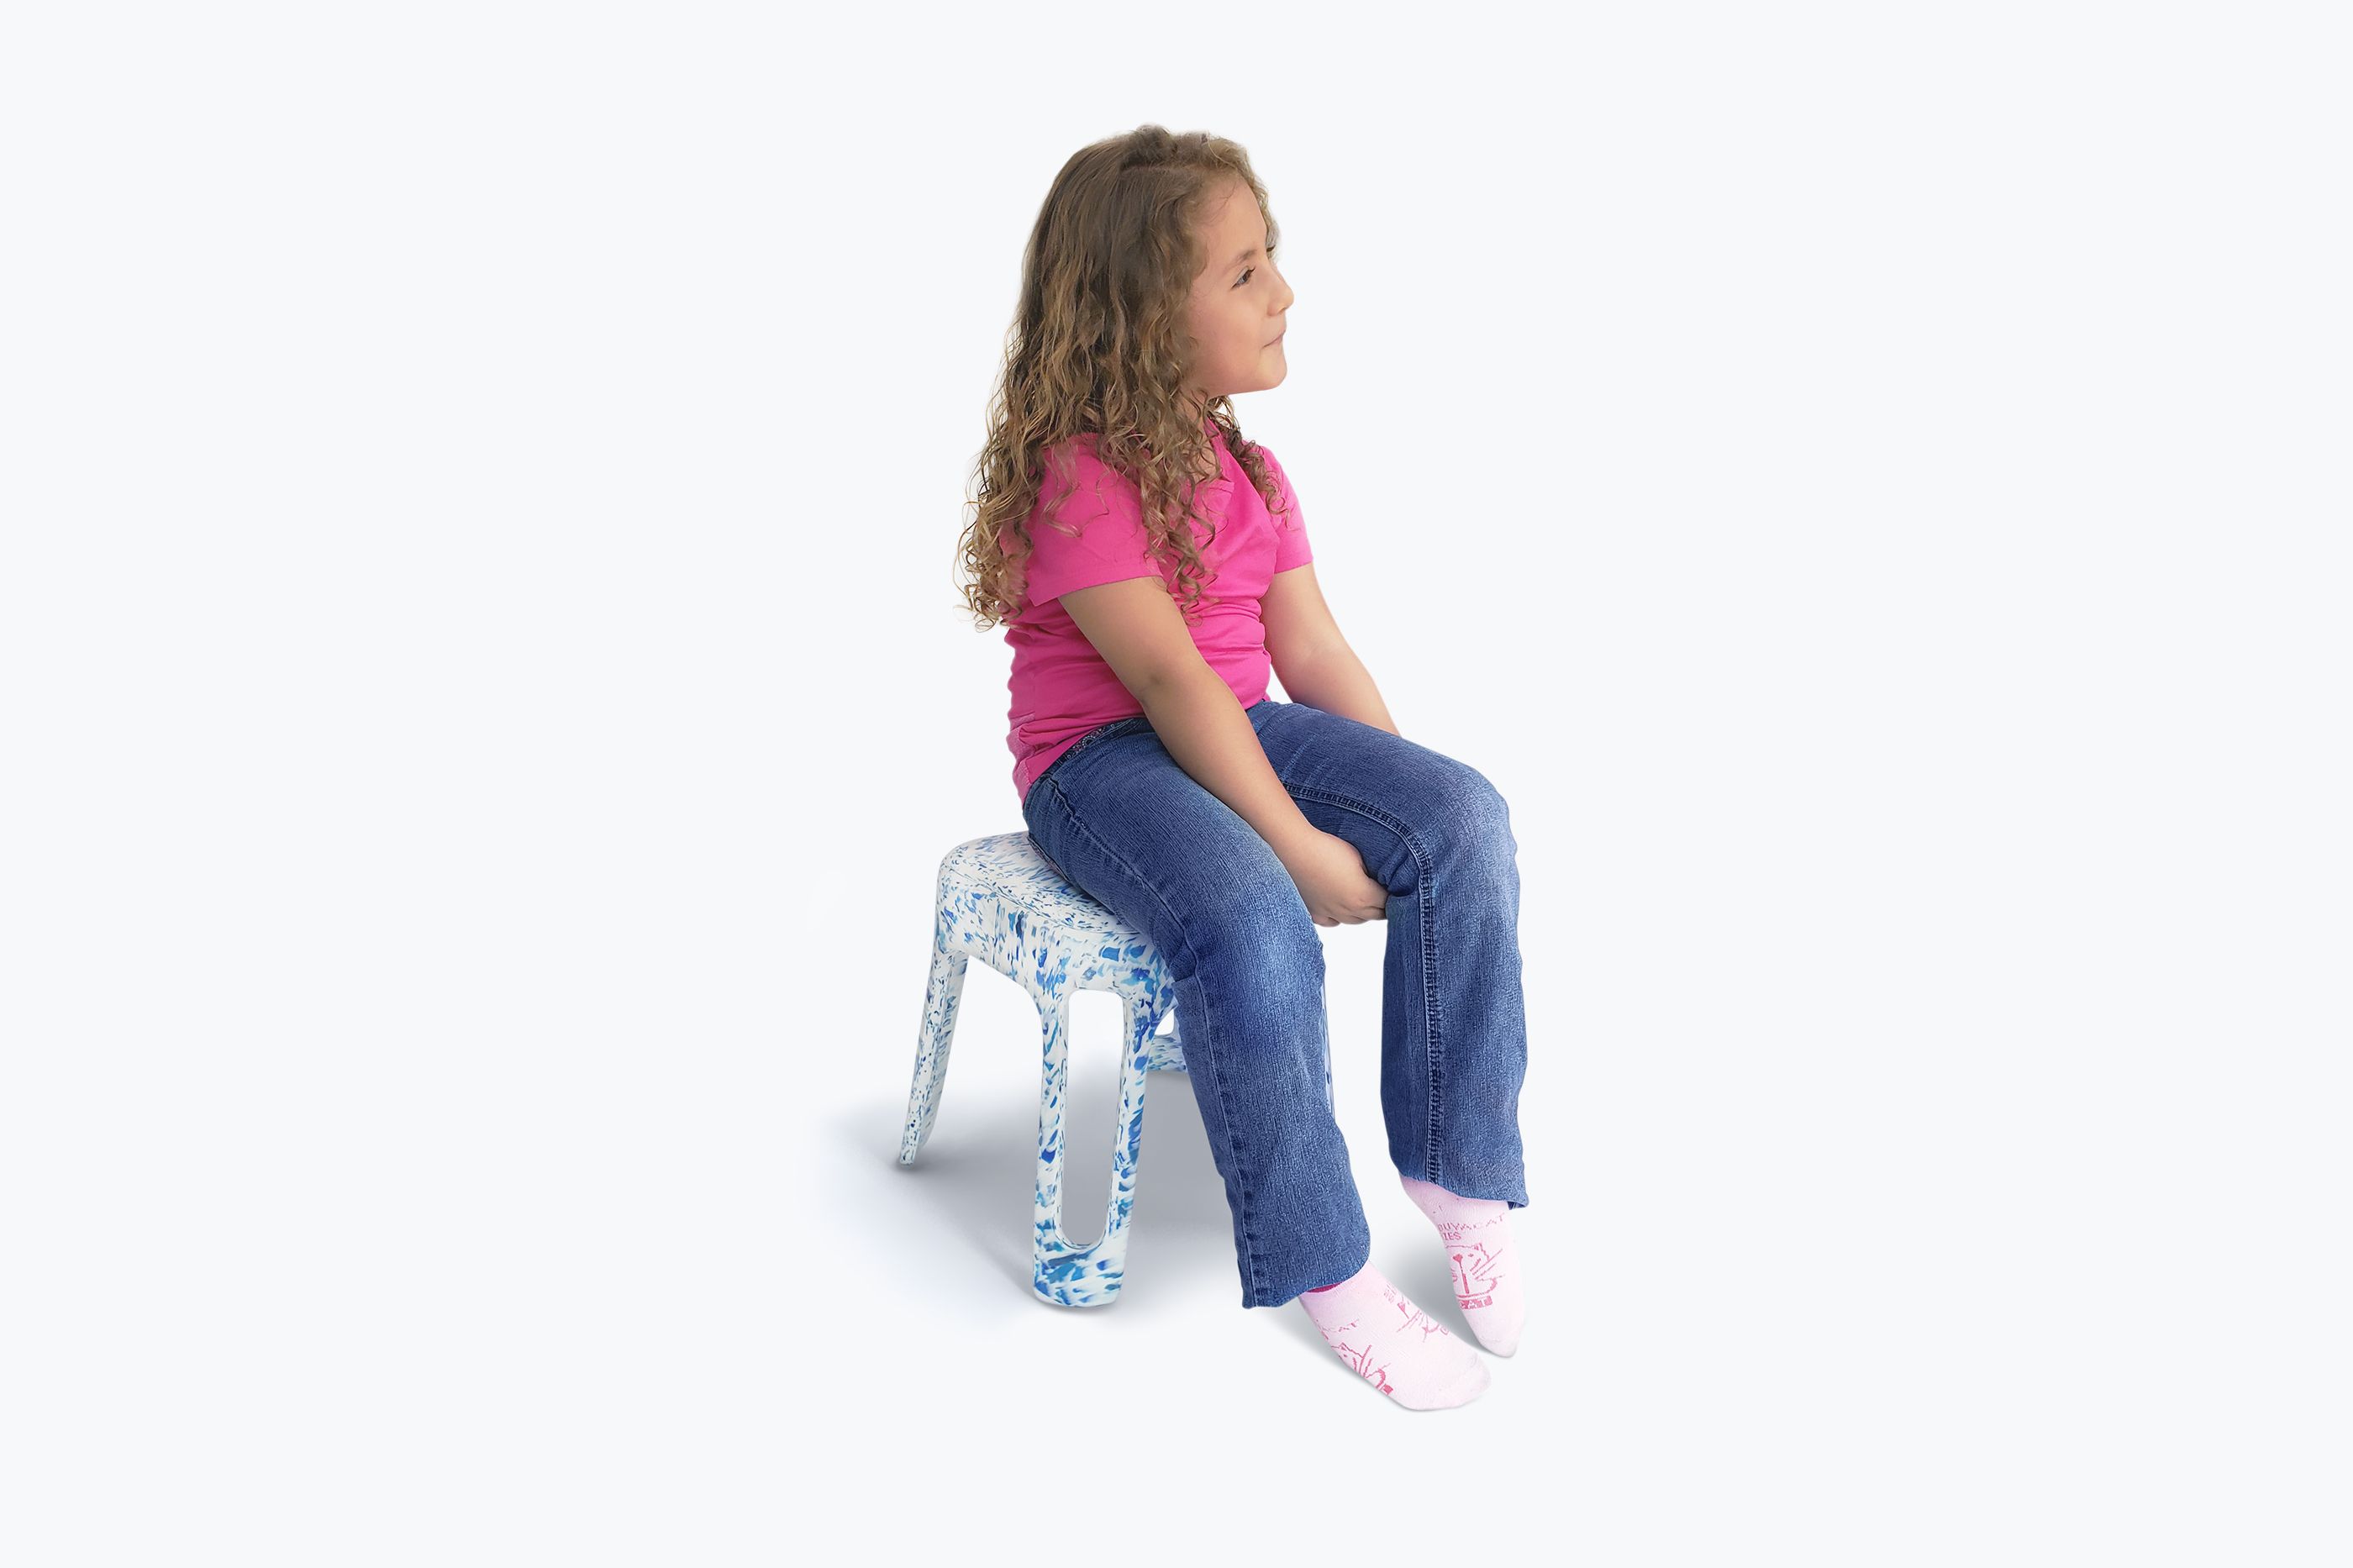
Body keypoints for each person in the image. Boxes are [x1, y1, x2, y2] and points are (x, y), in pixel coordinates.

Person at [953, 126, 1530, 1411]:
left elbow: (1309, 649)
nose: (1285, 293)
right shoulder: (1078, 476)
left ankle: (1460, 1172)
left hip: (1237, 725)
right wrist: (1300, 847)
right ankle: (1330, 1266)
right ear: (1143, 316)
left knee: (1466, 815)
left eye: (1273, 260)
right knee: (1252, 913)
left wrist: (1398, 811)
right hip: (1100, 763)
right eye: (1247, 272)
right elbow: (1169, 686)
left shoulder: (1251, 469)